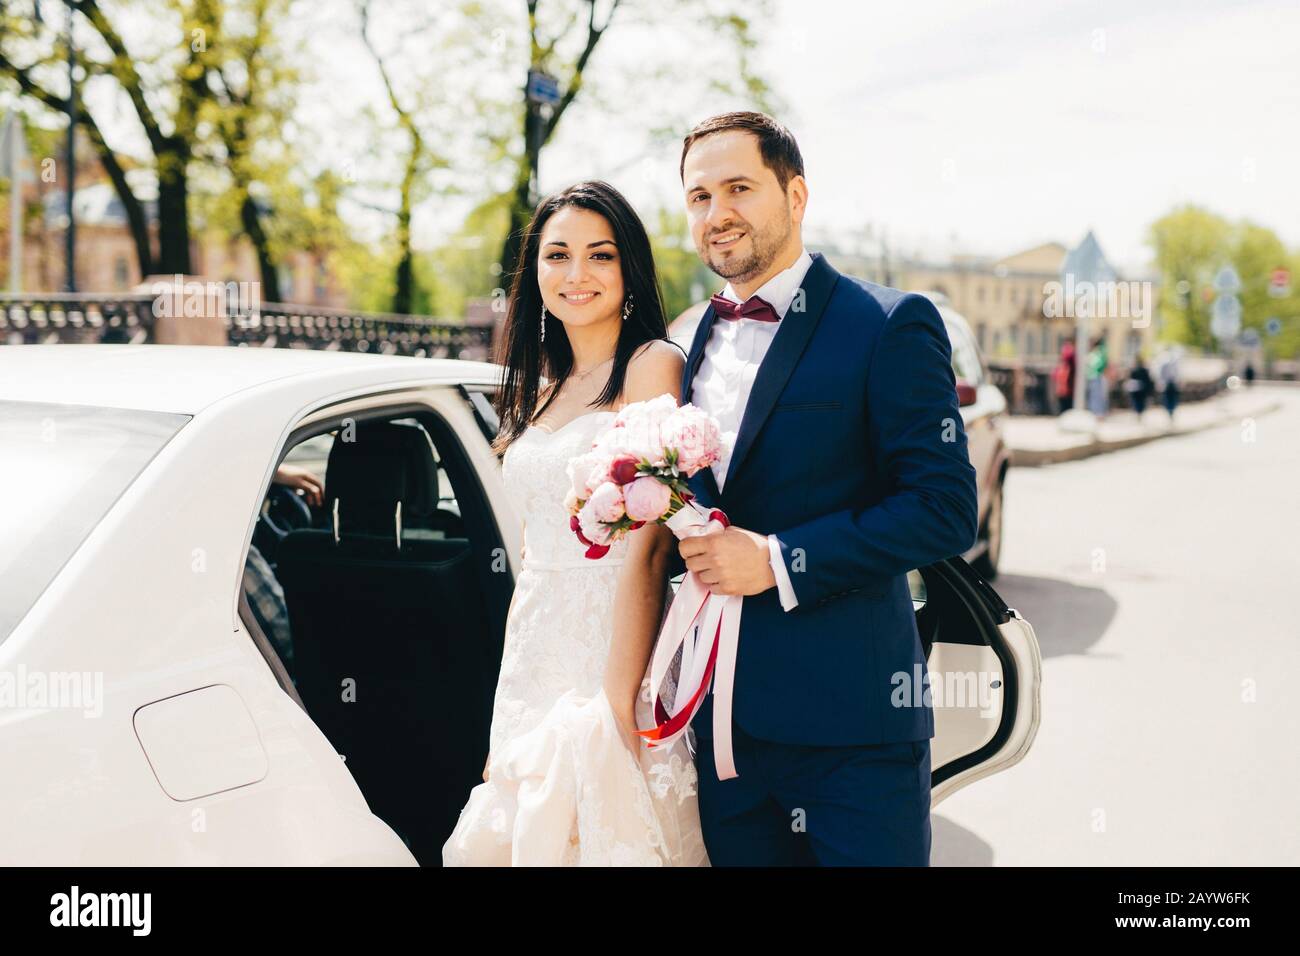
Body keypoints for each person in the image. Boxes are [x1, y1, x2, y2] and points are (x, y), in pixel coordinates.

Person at [668, 112, 978, 865]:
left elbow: (943, 509)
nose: (718, 214)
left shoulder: (888, 323)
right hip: (723, 734)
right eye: (700, 197)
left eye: (739, 188)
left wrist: (778, 559)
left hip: (853, 733)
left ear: (796, 195)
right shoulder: (688, 338)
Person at [442, 181, 707, 866]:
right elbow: (530, 558)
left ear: (629, 271)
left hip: (613, 651)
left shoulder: (653, 366)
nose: (576, 275)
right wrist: (510, 702)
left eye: (600, 256)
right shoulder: (540, 383)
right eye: (557, 256)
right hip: (535, 651)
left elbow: (649, 554)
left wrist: (619, 700)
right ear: (535, 272)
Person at [1086, 334, 1109, 416]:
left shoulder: (1098, 352)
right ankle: (1097, 412)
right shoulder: (1099, 352)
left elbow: (1099, 365)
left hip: (1096, 376)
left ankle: (1098, 413)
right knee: (1095, 396)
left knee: (1096, 396)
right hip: (1094, 376)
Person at [1053, 339, 1077, 413]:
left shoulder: (1069, 357)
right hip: (1065, 383)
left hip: (1068, 383)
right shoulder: (1067, 358)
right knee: (1065, 400)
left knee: (1067, 400)